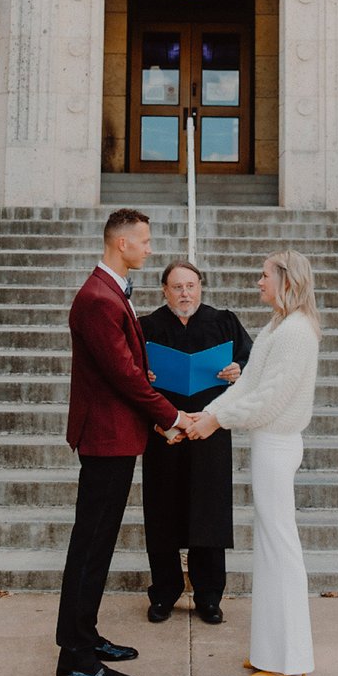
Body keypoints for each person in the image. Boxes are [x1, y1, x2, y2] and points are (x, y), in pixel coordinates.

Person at [54, 208, 199, 676]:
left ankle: (85, 635)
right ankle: (74, 657)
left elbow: (125, 368)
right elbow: (121, 376)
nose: (150, 248)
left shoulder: (109, 292)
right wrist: (173, 416)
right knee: (90, 546)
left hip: (116, 433)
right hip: (105, 438)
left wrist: (145, 384)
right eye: (144, 240)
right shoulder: (98, 298)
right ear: (121, 244)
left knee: (97, 544)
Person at [180, 250, 323, 676]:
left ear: (285, 280)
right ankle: (270, 651)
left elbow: (269, 400)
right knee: (268, 547)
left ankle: (289, 657)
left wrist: (215, 420)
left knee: (281, 547)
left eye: (264, 275)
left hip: (279, 447)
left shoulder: (296, 332)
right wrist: (206, 416)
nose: (258, 281)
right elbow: (248, 387)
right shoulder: (276, 327)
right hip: (266, 445)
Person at [140, 260, 251, 625]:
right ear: (164, 290)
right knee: (162, 512)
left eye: (191, 286)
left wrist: (238, 370)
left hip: (210, 429)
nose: (185, 293)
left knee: (209, 511)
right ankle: (164, 593)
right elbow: (131, 373)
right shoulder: (148, 327)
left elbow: (250, 363)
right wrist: (146, 374)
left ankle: (208, 595)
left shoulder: (223, 321)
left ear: (200, 286)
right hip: (165, 432)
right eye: (177, 287)